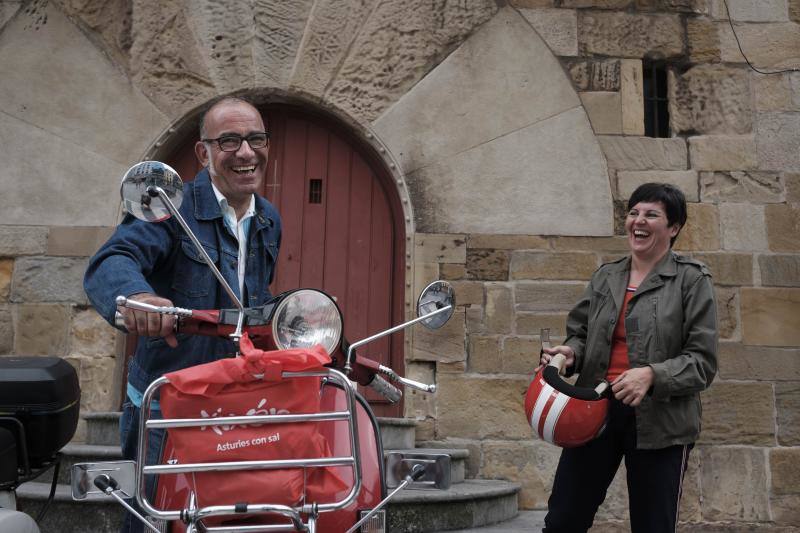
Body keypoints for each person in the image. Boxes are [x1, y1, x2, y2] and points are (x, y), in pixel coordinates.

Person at [84, 96, 281, 533]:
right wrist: (137, 298)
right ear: (203, 152)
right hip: (167, 404)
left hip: (235, 405)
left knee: (223, 518)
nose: (246, 152)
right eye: (229, 141)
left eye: (256, 138)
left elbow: (253, 299)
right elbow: (113, 259)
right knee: (154, 519)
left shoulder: (268, 219)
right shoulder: (171, 207)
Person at [539, 183, 717, 533]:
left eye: (652, 214)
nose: (639, 220)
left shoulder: (691, 281)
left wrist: (651, 375)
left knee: (653, 526)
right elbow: (581, 334)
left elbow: (703, 362)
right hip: (594, 411)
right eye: (634, 212)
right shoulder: (606, 276)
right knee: (563, 520)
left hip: (661, 422)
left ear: (674, 227)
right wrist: (570, 353)